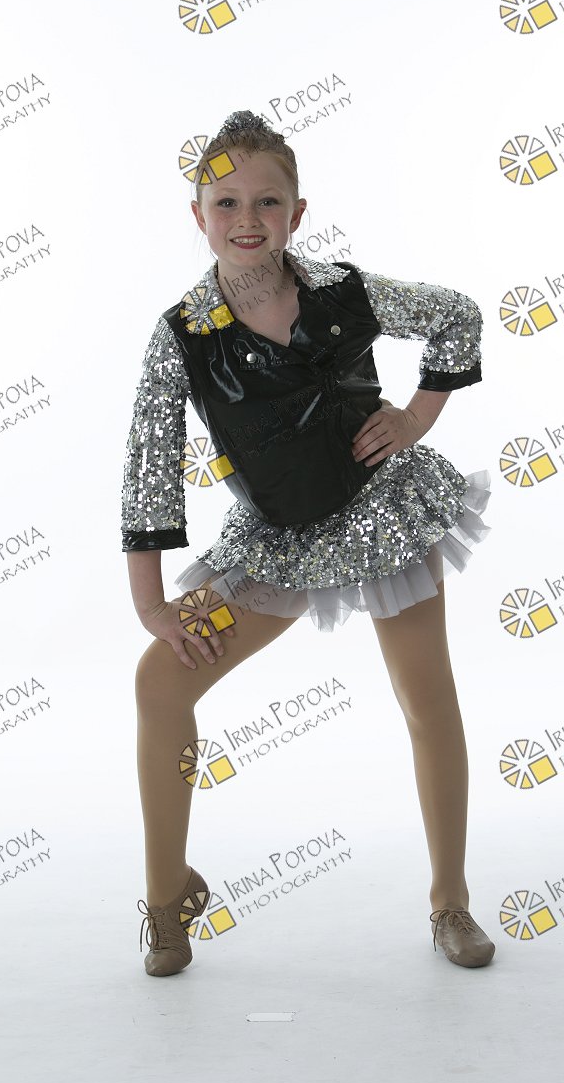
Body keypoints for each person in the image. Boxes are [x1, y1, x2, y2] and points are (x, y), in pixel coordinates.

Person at [122, 110, 496, 976]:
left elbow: (458, 315)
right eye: (226, 203)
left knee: (426, 698)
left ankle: (450, 899)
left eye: (267, 201)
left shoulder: (344, 291)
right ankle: (167, 895)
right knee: (159, 683)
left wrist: (415, 417)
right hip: (278, 541)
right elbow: (148, 464)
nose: (247, 219)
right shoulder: (182, 334)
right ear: (198, 216)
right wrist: (151, 605)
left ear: (296, 212)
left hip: (383, 513)